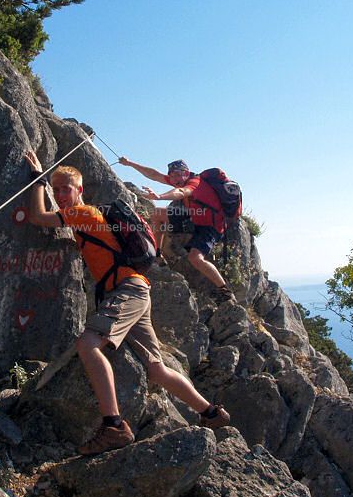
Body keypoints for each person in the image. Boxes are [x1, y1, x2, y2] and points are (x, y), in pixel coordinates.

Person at [23, 150, 230, 455]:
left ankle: (114, 426)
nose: (60, 195)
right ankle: (211, 413)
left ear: (80, 190)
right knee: (156, 371)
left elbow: (38, 217)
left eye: (65, 189)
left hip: (127, 290)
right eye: (56, 190)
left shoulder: (82, 213)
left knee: (88, 344)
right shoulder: (89, 216)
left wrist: (37, 179)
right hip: (136, 290)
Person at [119, 156, 236, 303]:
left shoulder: (195, 182)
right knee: (157, 214)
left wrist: (159, 197)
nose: (175, 179)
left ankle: (225, 291)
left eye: (178, 174)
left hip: (211, 226)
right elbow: (154, 175)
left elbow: (181, 192)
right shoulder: (178, 180)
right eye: (172, 176)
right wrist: (130, 163)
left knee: (195, 258)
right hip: (192, 218)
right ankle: (157, 255)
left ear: (186, 173)